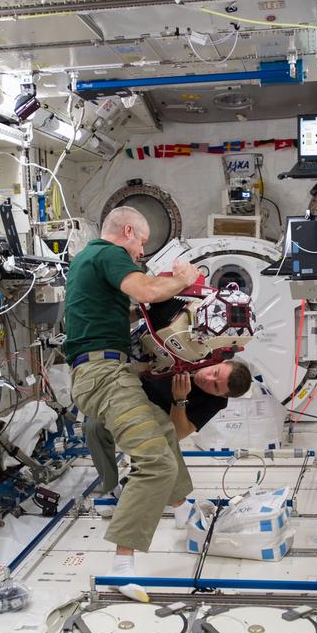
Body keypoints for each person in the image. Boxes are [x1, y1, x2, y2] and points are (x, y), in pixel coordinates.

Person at [63, 206, 200, 602]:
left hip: (107, 369)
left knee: (160, 428)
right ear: (127, 231)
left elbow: (129, 305)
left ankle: (187, 510)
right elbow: (146, 291)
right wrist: (181, 278)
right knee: (154, 462)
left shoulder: (87, 260)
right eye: (140, 242)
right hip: (102, 375)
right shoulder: (110, 254)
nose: (140, 252)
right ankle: (121, 568)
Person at [85, 359, 255, 493]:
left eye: (216, 386)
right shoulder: (198, 352)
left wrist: (179, 400)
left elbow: (178, 433)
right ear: (221, 362)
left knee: (152, 455)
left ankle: (134, 484)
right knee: (93, 427)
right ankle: (110, 484)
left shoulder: (215, 402)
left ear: (222, 395)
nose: (208, 379)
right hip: (130, 391)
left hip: (154, 420)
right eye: (215, 372)